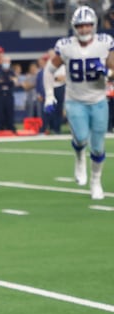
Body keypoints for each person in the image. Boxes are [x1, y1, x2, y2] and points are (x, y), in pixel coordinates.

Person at [44, 6, 113, 201]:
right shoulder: (66, 46)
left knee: (98, 147)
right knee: (81, 138)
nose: (84, 29)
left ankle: (96, 181)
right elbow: (48, 70)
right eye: (80, 26)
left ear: (94, 25)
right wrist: (50, 95)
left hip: (99, 100)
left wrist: (107, 72)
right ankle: (79, 156)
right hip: (75, 101)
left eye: (87, 25)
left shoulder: (104, 43)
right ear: (74, 27)